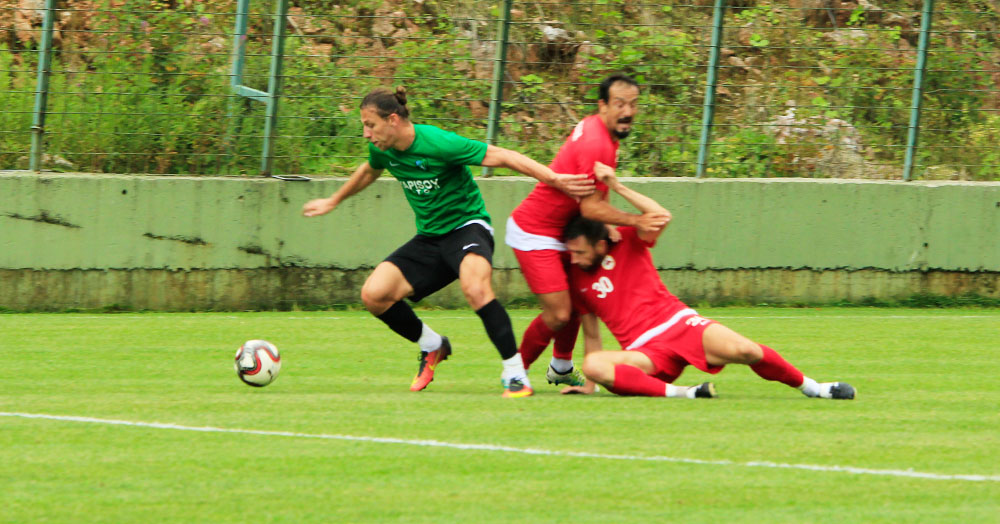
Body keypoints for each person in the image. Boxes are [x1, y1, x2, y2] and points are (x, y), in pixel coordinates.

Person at [302, 86, 594, 398]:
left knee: (476, 288)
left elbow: (503, 156)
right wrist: (334, 200)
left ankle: (514, 374)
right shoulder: (383, 149)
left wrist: (553, 178)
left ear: (392, 120)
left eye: (369, 125)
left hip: (468, 228)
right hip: (430, 238)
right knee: (374, 294)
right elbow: (368, 172)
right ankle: (432, 345)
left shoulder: (439, 143)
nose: (365, 134)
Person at [559, 162, 856, 400]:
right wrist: (590, 385)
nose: (574, 259)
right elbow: (592, 335)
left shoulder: (627, 239)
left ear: (600, 244)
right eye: (571, 253)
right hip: (645, 352)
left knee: (747, 351)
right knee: (593, 365)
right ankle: (684, 394)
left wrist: (616, 185)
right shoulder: (578, 279)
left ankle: (814, 388)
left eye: (580, 252)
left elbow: (660, 216)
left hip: (680, 324)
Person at [505, 73, 669, 388]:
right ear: (603, 106)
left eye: (633, 104)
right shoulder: (599, 143)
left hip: (563, 230)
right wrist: (633, 220)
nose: (628, 111)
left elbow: (594, 191)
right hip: (535, 232)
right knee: (558, 314)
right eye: (619, 104)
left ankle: (562, 367)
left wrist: (609, 222)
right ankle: (514, 371)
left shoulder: (601, 132)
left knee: (579, 301)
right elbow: (589, 208)